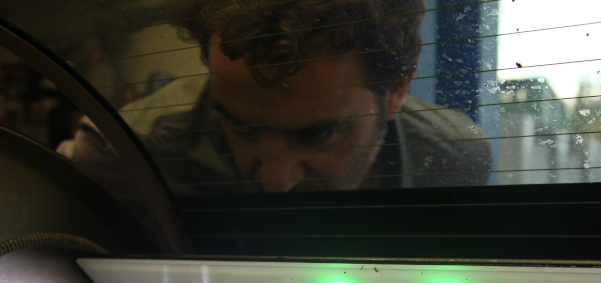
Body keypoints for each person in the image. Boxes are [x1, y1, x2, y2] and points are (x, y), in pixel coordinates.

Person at [59, 0, 492, 205]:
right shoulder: (122, 153)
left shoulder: (453, 157)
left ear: (396, 90)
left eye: (318, 133)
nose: (276, 181)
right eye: (240, 125)